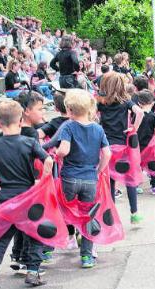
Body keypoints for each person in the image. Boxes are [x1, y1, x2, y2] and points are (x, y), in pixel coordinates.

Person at [0, 100, 53, 289]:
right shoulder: (30, 142)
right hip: (28, 197)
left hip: (5, 200)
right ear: (20, 121)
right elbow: (48, 159)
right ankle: (33, 272)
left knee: (0, 238)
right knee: (35, 235)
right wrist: (42, 181)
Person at [54, 89, 111, 268]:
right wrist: (98, 170)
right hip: (90, 179)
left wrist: (57, 155)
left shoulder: (69, 127)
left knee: (63, 212)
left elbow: (63, 150)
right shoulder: (98, 128)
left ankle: (49, 247)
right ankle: (86, 256)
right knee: (87, 216)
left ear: (69, 110)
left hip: (70, 178)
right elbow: (107, 154)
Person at [96, 72, 144, 224]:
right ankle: (134, 213)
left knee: (110, 181)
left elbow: (91, 115)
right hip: (122, 146)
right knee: (129, 179)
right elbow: (140, 112)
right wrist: (133, 128)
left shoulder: (101, 102)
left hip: (105, 147)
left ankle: (111, 216)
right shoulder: (126, 101)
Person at [134, 90, 155, 194]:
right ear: (152, 103)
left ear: (139, 104)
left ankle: (136, 185)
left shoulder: (136, 115)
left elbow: (134, 130)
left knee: (138, 166)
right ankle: (154, 187)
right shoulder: (154, 116)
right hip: (151, 147)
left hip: (138, 146)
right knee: (154, 166)